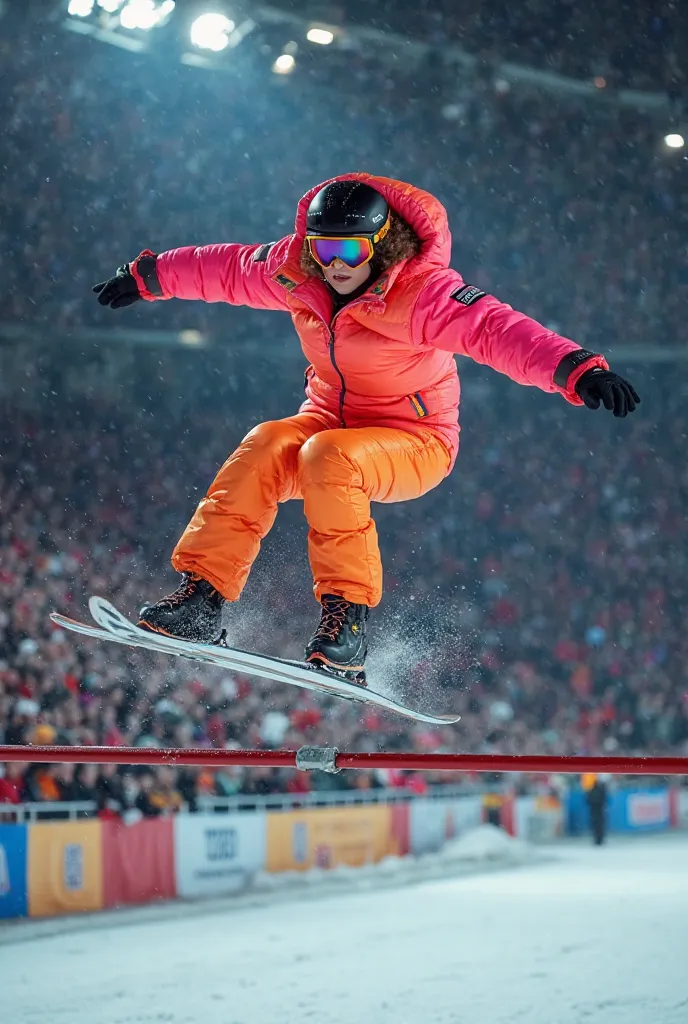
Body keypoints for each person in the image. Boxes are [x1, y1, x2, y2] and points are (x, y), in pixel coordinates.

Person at [93, 173, 639, 683]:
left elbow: (497, 331)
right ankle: (202, 599)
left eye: (349, 250)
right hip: (329, 419)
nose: (334, 264)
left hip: (416, 438)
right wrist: (150, 277)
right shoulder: (297, 270)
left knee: (331, 456)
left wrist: (577, 370)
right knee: (266, 443)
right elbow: (229, 269)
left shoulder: (423, 293)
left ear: (381, 245)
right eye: (323, 248)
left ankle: (346, 622)